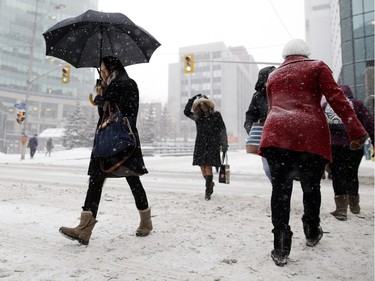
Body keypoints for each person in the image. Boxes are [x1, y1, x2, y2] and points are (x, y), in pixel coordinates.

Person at [258, 39, 369, 266]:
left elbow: (271, 106)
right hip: (308, 135)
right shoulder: (317, 66)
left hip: (277, 134)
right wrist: (356, 131)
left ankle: (280, 244)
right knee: (311, 186)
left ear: (285, 55)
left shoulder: (273, 75)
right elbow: (337, 99)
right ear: (306, 54)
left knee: (280, 189)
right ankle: (311, 229)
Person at [59, 56, 152, 245]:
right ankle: (84, 229)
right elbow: (105, 115)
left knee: (132, 179)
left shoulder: (127, 83)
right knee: (95, 179)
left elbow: (129, 110)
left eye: (103, 69)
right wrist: (102, 96)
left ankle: (146, 222)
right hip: (106, 139)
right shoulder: (107, 85)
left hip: (123, 139)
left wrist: (107, 95)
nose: (101, 72)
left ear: (112, 68)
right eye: (100, 70)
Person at [323, 84, 374, 221]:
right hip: (354, 146)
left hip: (334, 146)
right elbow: (369, 123)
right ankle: (354, 205)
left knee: (338, 174)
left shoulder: (328, 104)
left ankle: (341, 210)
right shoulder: (357, 104)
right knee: (352, 173)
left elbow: (320, 126)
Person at [184, 94, 228, 201]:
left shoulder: (216, 115)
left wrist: (224, 144)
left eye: (204, 104)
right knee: (202, 166)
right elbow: (186, 112)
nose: (202, 107)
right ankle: (210, 183)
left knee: (208, 166)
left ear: (208, 105)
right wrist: (193, 99)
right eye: (200, 105)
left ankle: (207, 192)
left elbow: (222, 129)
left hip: (213, 144)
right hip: (200, 144)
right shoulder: (198, 117)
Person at [244, 66, 276, 182]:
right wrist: (250, 128)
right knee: (268, 169)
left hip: (282, 137)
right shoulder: (257, 96)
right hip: (265, 138)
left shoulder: (283, 92)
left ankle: (281, 194)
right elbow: (250, 115)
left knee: (281, 170)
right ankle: (278, 191)